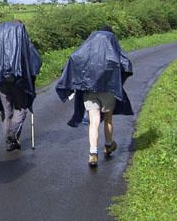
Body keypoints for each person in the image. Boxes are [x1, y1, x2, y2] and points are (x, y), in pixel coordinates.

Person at [56, 25, 133, 167]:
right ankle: (109, 145)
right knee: (108, 118)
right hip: (108, 89)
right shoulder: (113, 46)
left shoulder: (88, 46)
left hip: (89, 90)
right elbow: (125, 63)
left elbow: (74, 59)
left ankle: (93, 154)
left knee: (94, 121)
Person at [0, 20, 42, 151]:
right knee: (21, 109)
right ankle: (11, 136)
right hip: (19, 82)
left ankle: (12, 141)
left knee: (7, 112)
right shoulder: (23, 41)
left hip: (1, 81)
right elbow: (35, 61)